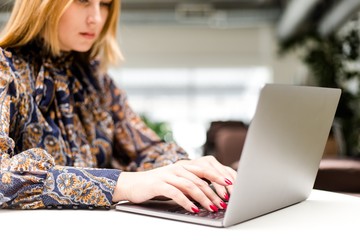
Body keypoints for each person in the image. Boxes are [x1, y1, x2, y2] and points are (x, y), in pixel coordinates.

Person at [0, 0, 236, 213]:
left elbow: (146, 150)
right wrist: (123, 184)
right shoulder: (5, 70)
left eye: (105, 4)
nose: (97, 17)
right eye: (83, 1)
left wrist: (187, 170)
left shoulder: (97, 81)